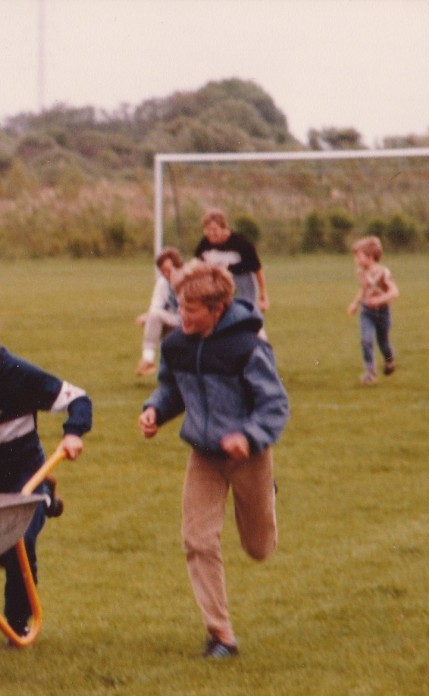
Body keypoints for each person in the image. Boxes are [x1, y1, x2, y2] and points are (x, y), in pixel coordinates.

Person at [137, 261, 289, 660]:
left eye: (190, 310)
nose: (181, 316)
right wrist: (154, 410)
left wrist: (250, 436)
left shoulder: (248, 347)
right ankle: (221, 636)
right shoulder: (177, 345)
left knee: (258, 548)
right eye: (180, 306)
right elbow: (171, 389)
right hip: (203, 455)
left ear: (217, 308)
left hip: (248, 456)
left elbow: (274, 404)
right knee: (197, 539)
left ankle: (266, 497)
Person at [0, 297, 92, 637]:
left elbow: (78, 398)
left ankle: (18, 619)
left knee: (19, 544)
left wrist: (73, 433)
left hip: (26, 477)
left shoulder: (18, 375)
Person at [347, 235, 399, 384]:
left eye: (359, 257)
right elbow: (364, 290)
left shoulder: (383, 272)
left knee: (383, 342)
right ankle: (370, 373)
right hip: (367, 312)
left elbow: (394, 292)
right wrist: (355, 304)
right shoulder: (361, 273)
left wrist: (378, 300)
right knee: (366, 340)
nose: (356, 260)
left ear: (370, 257)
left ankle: (389, 361)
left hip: (382, 313)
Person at [194, 208, 270, 312]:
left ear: (224, 227)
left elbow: (257, 269)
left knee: (243, 312)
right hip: (219, 283)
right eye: (207, 229)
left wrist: (263, 293)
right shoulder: (205, 243)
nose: (210, 233)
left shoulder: (241, 243)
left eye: (214, 229)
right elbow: (197, 264)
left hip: (242, 282)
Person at [135, 246, 185, 376]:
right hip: (177, 319)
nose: (166, 274)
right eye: (163, 271)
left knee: (155, 316)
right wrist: (148, 317)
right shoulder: (163, 283)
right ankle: (148, 360)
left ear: (178, 266)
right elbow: (156, 306)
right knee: (154, 316)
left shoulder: (189, 279)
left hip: (193, 319)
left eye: (168, 270)